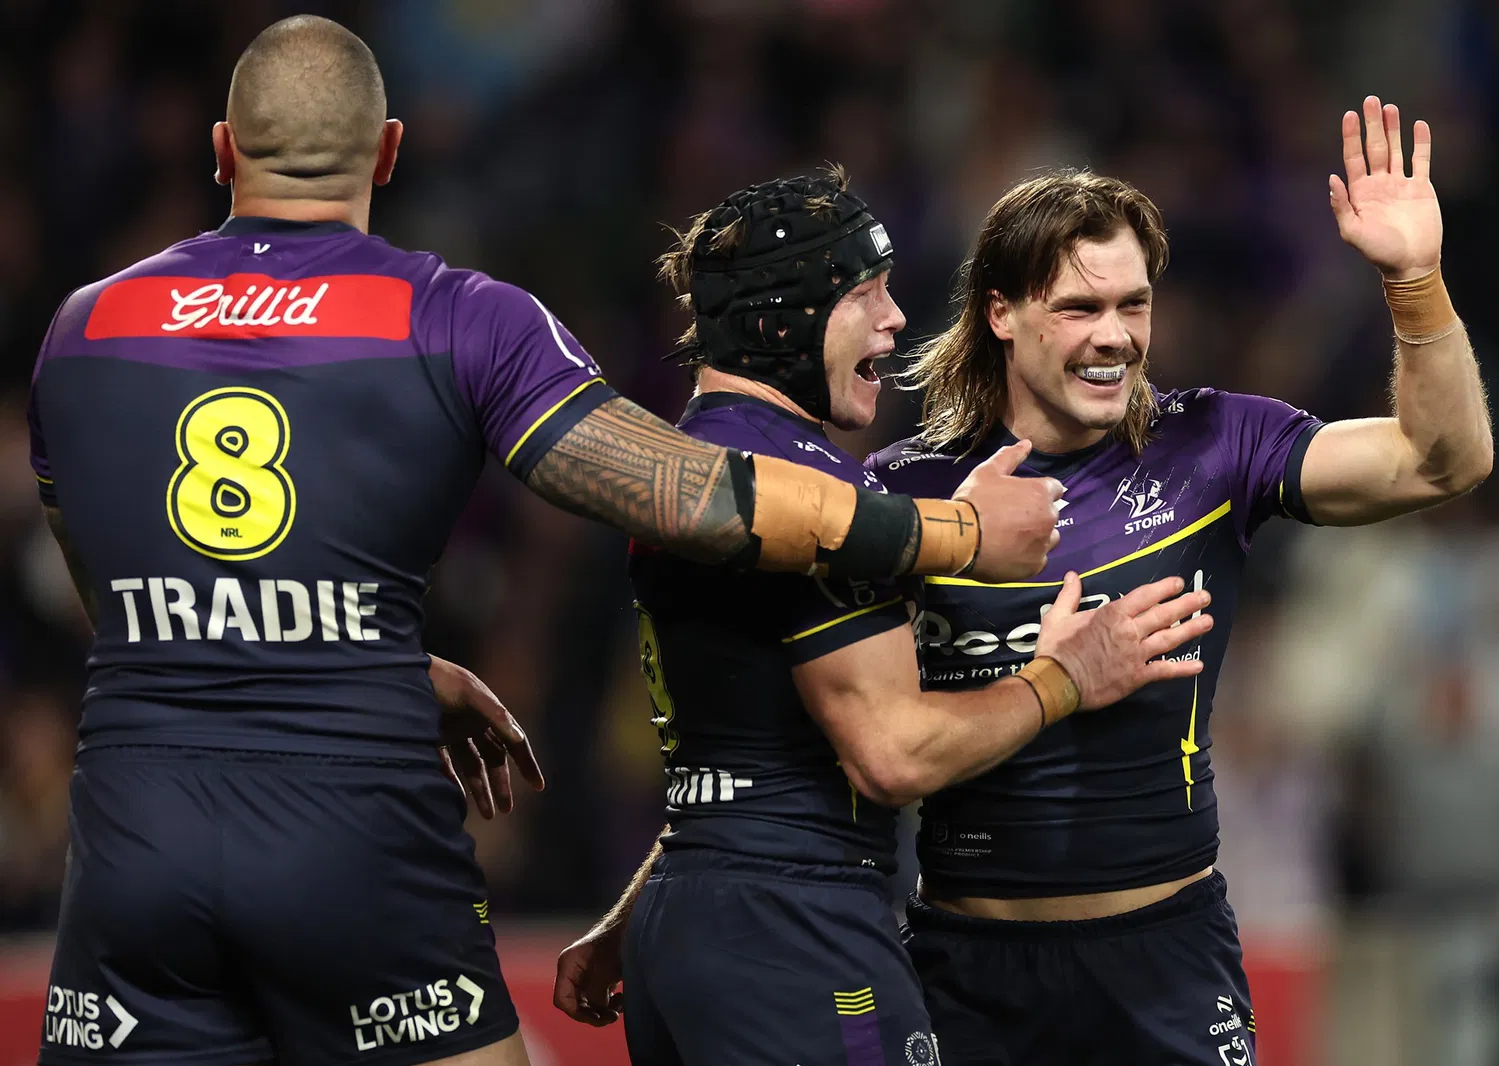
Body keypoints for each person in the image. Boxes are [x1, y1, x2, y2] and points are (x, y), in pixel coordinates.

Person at [26, 18, 1064, 1066]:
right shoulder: (457, 318)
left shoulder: (79, 328)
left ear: (221, 151)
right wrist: (959, 530)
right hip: (345, 835)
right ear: (389, 151)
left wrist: (346, 652)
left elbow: (115, 590)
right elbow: (693, 498)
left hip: (131, 845)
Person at [864, 98, 1493, 1065]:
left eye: (1133, 304)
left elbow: (1441, 462)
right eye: (1079, 307)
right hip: (969, 969)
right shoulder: (910, 497)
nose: (1114, 336)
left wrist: (1415, 281)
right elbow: (850, 745)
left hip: (1166, 959)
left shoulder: (1214, 445)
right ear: (1000, 313)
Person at [550, 171, 1214, 1066]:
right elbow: (891, 753)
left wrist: (639, 914)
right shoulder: (810, 496)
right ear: (783, 321)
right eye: (866, 295)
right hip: (800, 933)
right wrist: (1066, 677)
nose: (897, 320)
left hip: (692, 909)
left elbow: (744, 756)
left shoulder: (700, 467)